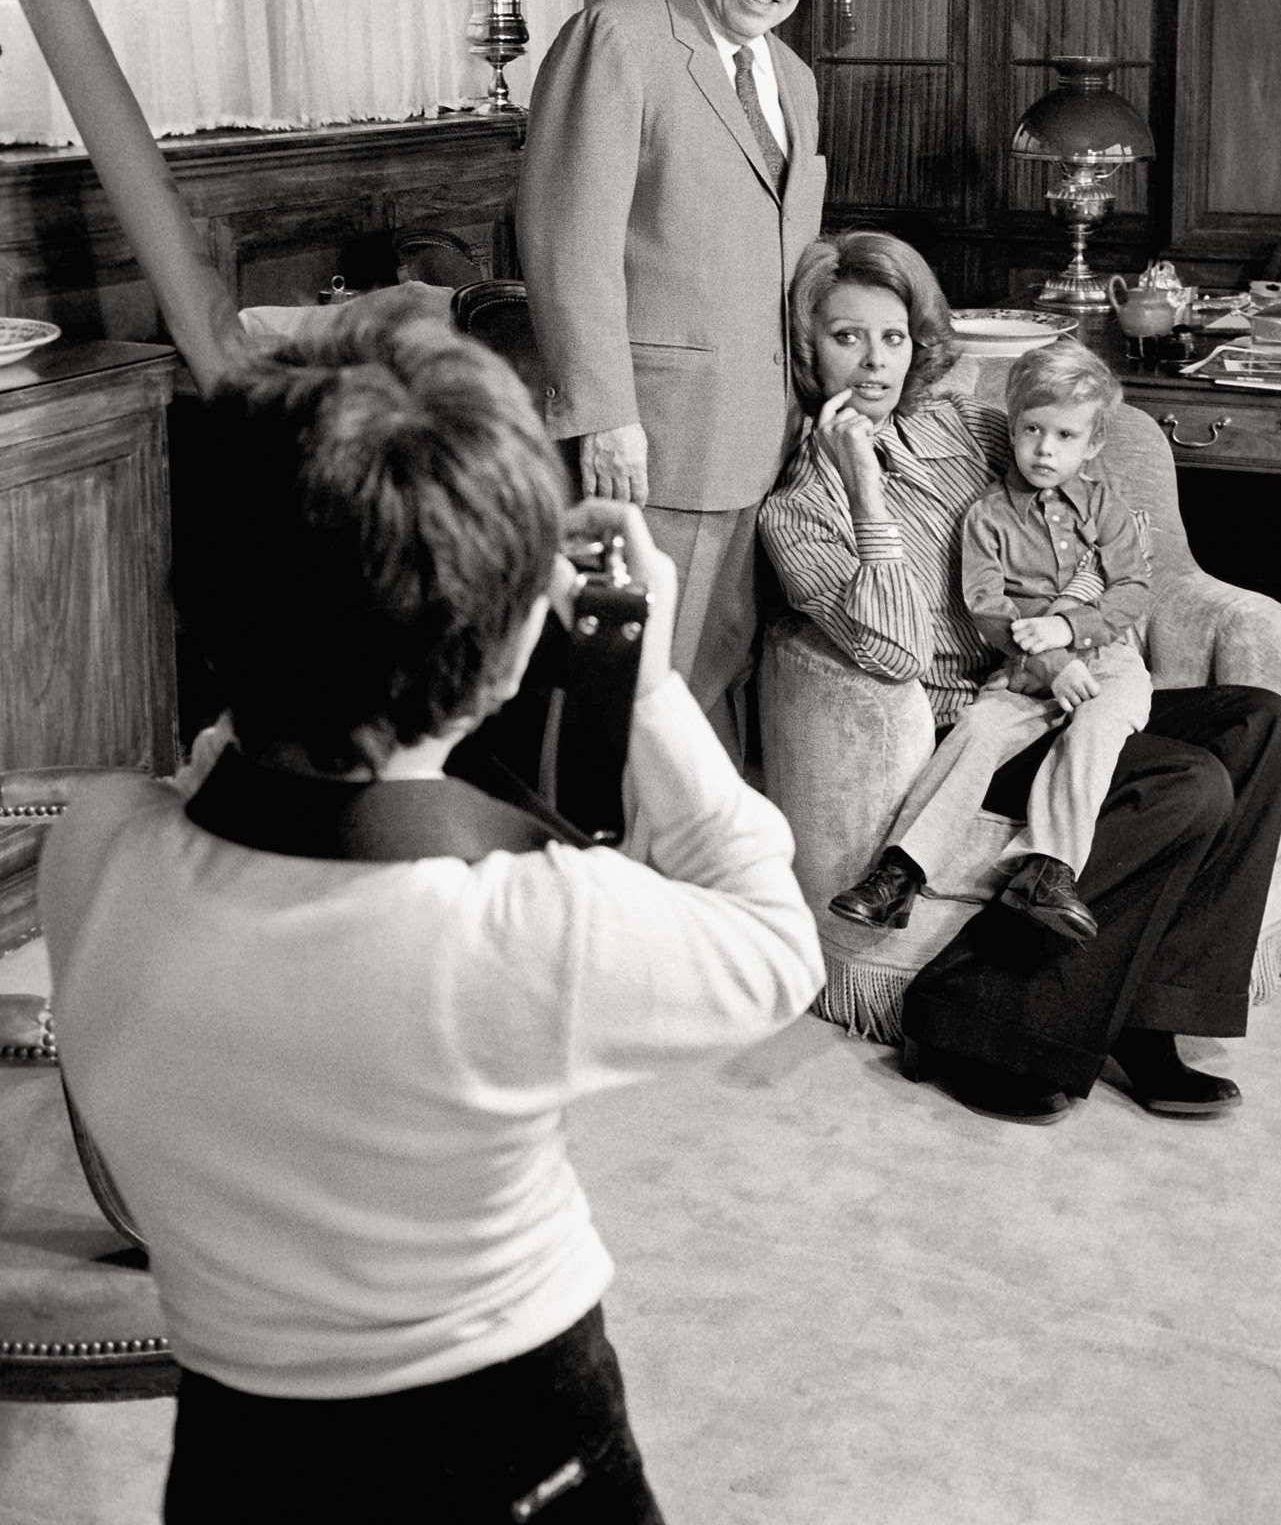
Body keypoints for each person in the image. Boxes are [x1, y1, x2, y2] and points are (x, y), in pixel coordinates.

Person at [40, 293, 823, 1522]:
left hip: (236, 1452)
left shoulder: (96, 851)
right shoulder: (526, 929)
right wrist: (647, 676)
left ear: (203, 603)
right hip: (516, 1443)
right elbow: (778, 947)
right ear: (512, 651)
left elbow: (214, 764)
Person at [760, 231, 1281, 1128]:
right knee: (1188, 783)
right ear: (804, 349)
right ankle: (964, 1015)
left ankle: (1148, 1015)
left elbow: (1081, 454)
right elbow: (891, 650)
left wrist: (1080, 619)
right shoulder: (800, 510)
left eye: (892, 337)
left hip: (1067, 681)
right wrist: (862, 487)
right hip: (971, 717)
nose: (873, 362)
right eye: (845, 338)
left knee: (1260, 724)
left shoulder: (965, 426)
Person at [517, 0, 835, 757]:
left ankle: (675, 884)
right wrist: (605, 413)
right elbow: (565, 238)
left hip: (761, 441)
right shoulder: (618, 38)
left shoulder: (794, 81)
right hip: (647, 444)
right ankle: (583, 877)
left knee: (707, 685)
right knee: (611, 688)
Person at [827, 340, 1151, 945]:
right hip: (1023, 671)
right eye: (1031, 429)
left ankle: (1049, 873)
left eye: (1065, 436)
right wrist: (1048, 660)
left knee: (1098, 728)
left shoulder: (1107, 510)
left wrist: (1071, 629)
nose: (1045, 449)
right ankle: (898, 874)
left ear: (1094, 444)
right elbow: (987, 609)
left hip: (1108, 662)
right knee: (976, 731)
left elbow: (1134, 589)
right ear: (1013, 424)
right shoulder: (987, 517)